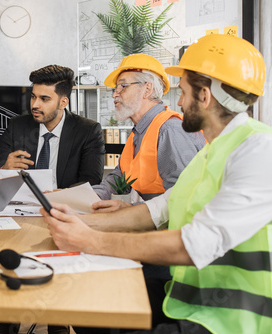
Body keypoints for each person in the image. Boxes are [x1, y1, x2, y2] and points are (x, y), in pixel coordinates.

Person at [42, 34, 272, 333]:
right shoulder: (211, 151)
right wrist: (82, 223)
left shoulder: (258, 149)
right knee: (90, 310)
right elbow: (156, 210)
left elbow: (196, 242)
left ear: (205, 96)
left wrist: (91, 240)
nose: (178, 101)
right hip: (188, 299)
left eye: (184, 92)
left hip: (229, 317)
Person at [92, 54, 206, 213]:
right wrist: (84, 198)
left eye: (123, 86)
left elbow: (183, 197)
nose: (115, 94)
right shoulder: (139, 132)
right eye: (115, 88)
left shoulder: (170, 130)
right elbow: (119, 177)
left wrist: (131, 210)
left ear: (147, 89)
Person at [0, 64, 105, 189]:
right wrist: (4, 169)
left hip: (64, 205)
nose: (35, 105)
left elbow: (91, 183)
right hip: (21, 204)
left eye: (44, 99)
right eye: (33, 97)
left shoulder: (88, 131)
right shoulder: (17, 126)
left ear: (63, 103)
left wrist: (60, 195)